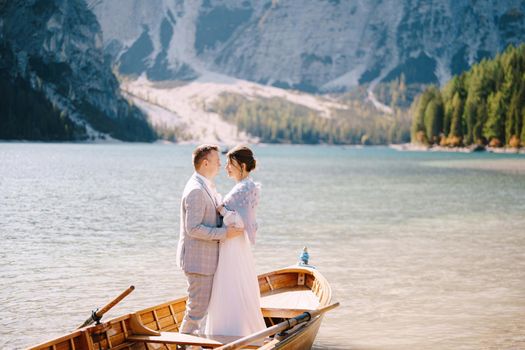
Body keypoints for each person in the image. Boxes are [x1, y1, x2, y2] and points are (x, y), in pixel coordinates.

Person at [176, 144, 244, 336]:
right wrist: (225, 234)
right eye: (217, 160)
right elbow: (193, 228)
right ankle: (183, 346)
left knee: (201, 310)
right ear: (206, 163)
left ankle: (194, 344)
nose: (221, 164)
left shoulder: (205, 186)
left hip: (205, 260)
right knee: (196, 311)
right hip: (198, 261)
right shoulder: (196, 190)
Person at [205, 145, 266, 336]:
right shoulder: (247, 186)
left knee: (229, 283)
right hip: (235, 243)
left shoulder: (243, 188)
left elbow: (235, 219)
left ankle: (230, 331)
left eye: (230, 164)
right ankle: (236, 329)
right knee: (234, 282)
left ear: (241, 165)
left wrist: (218, 204)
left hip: (232, 243)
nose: (226, 168)